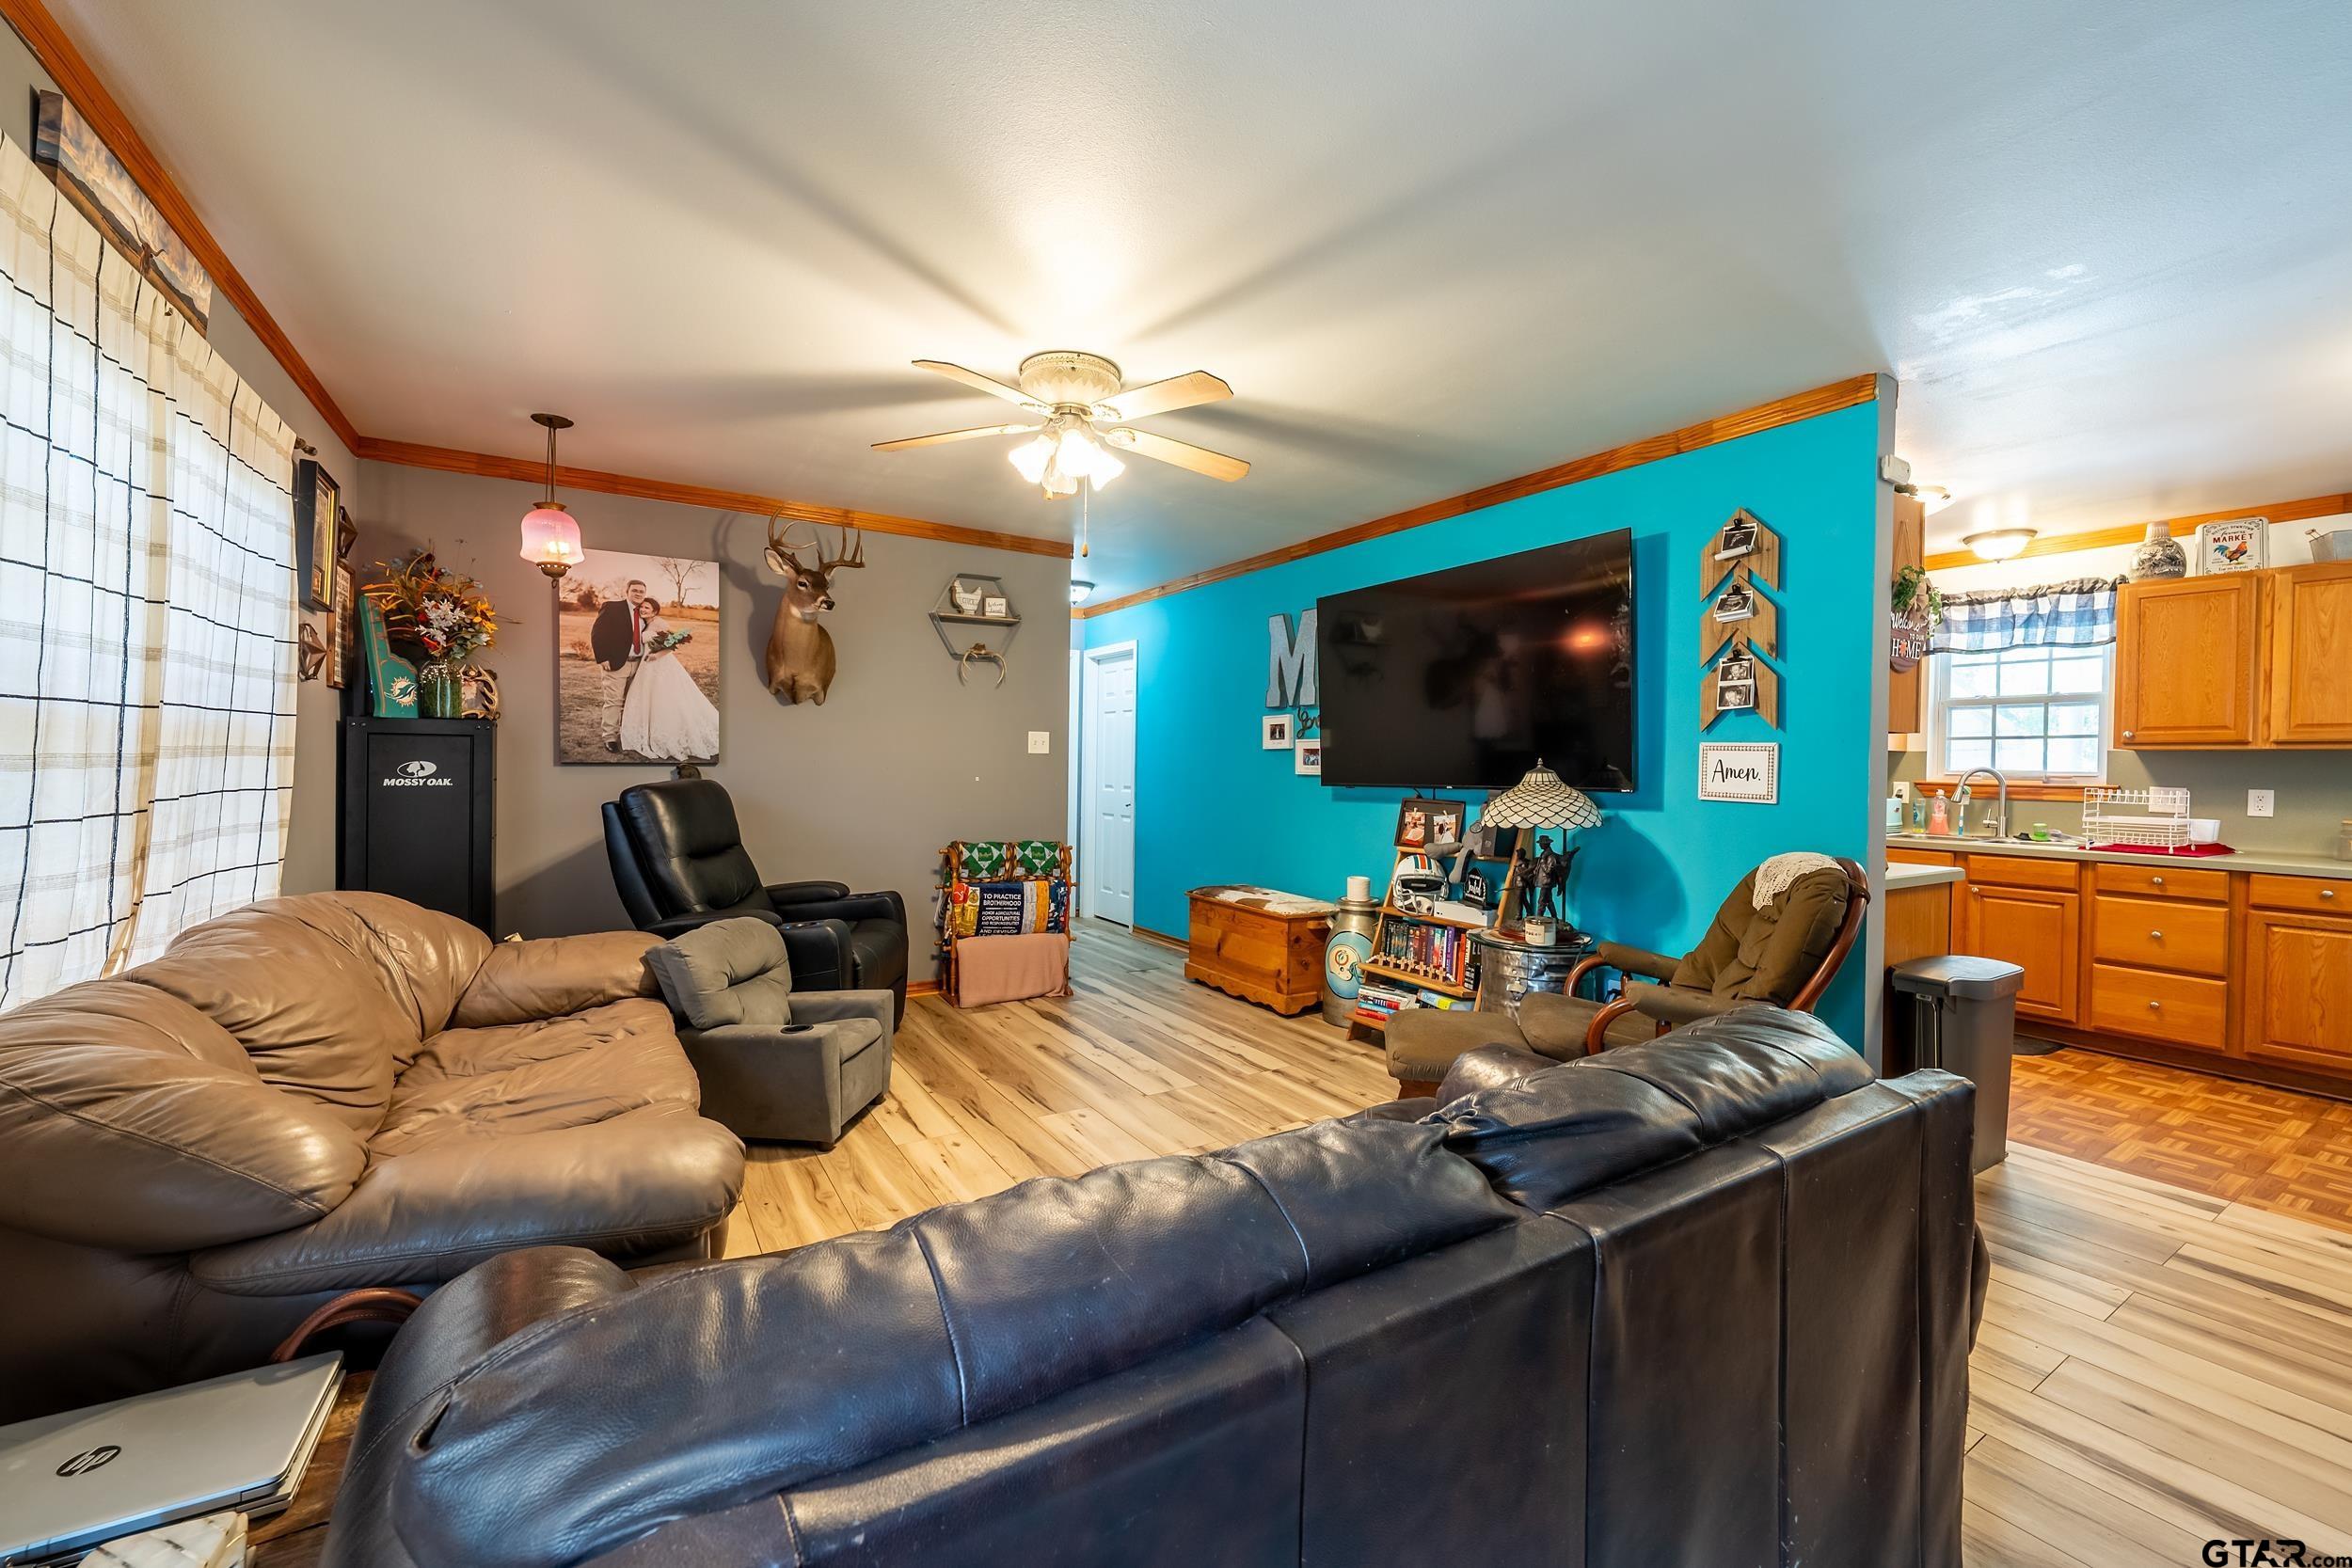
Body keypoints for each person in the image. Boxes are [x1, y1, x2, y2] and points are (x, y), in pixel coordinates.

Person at [619, 600, 720, 761]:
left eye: (647, 608)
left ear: (654, 611)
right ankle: (646, 730)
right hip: (646, 665)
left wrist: (657, 655)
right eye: (642, 607)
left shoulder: (659, 623)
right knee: (648, 697)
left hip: (660, 663)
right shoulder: (644, 624)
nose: (643, 609)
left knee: (666, 698)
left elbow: (676, 640)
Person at [590, 578, 650, 753]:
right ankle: (610, 737)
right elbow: (597, 633)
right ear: (627, 591)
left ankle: (628, 734)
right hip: (616, 663)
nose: (638, 594)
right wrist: (602, 657)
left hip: (639, 665)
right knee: (614, 702)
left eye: (641, 591)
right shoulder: (612, 607)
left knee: (633, 702)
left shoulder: (645, 613)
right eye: (635, 590)